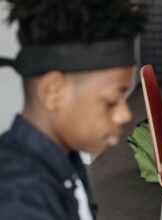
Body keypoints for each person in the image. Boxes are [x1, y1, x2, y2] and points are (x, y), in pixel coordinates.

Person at [0, 0, 146, 219]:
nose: (124, 114)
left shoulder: (65, 155)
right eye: (110, 101)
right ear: (53, 92)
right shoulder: (20, 202)